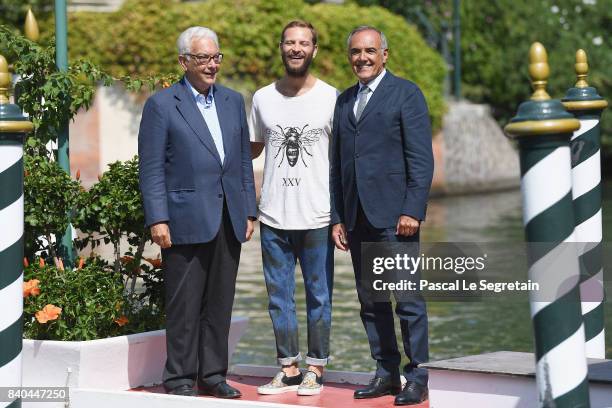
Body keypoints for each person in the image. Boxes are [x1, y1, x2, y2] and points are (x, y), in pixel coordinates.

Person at [138, 26, 257, 399]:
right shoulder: (161, 105)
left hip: (229, 216)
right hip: (184, 218)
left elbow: (240, 160)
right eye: (203, 58)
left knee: (220, 303)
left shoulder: (233, 101)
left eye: (216, 57)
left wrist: (249, 209)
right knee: (184, 304)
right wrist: (157, 218)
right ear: (183, 61)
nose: (212, 65)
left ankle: (214, 374)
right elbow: (152, 166)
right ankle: (179, 379)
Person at [329, 26, 434, 406]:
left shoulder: (406, 94)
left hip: (395, 217)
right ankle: (386, 371)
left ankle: (417, 374)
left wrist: (412, 209)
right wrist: (338, 217)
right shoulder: (344, 102)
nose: (362, 58)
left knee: (407, 298)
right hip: (357, 217)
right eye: (356, 52)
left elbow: (421, 160)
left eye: (370, 51)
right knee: (371, 299)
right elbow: (337, 166)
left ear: (384, 54)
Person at [249, 20, 337, 396]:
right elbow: (249, 151)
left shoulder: (333, 97)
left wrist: (341, 217)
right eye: (290, 42)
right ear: (281, 48)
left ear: (314, 50)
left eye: (303, 43)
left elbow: (343, 160)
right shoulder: (261, 98)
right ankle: (288, 369)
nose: (296, 48)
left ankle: (316, 368)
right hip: (273, 216)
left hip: (318, 215)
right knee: (278, 297)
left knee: (320, 295)